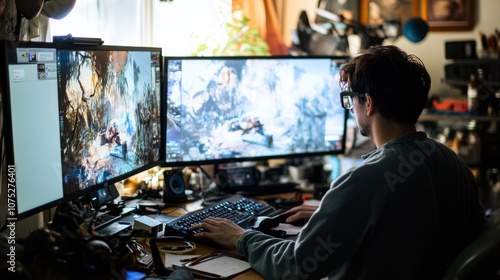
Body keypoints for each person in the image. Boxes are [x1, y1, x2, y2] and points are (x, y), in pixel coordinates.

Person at [190, 45, 486, 280]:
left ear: (368, 103)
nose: (351, 108)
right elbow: (414, 221)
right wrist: (338, 211)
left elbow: (297, 268)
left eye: (350, 99)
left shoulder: (364, 181)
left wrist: (241, 238)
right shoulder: (452, 162)